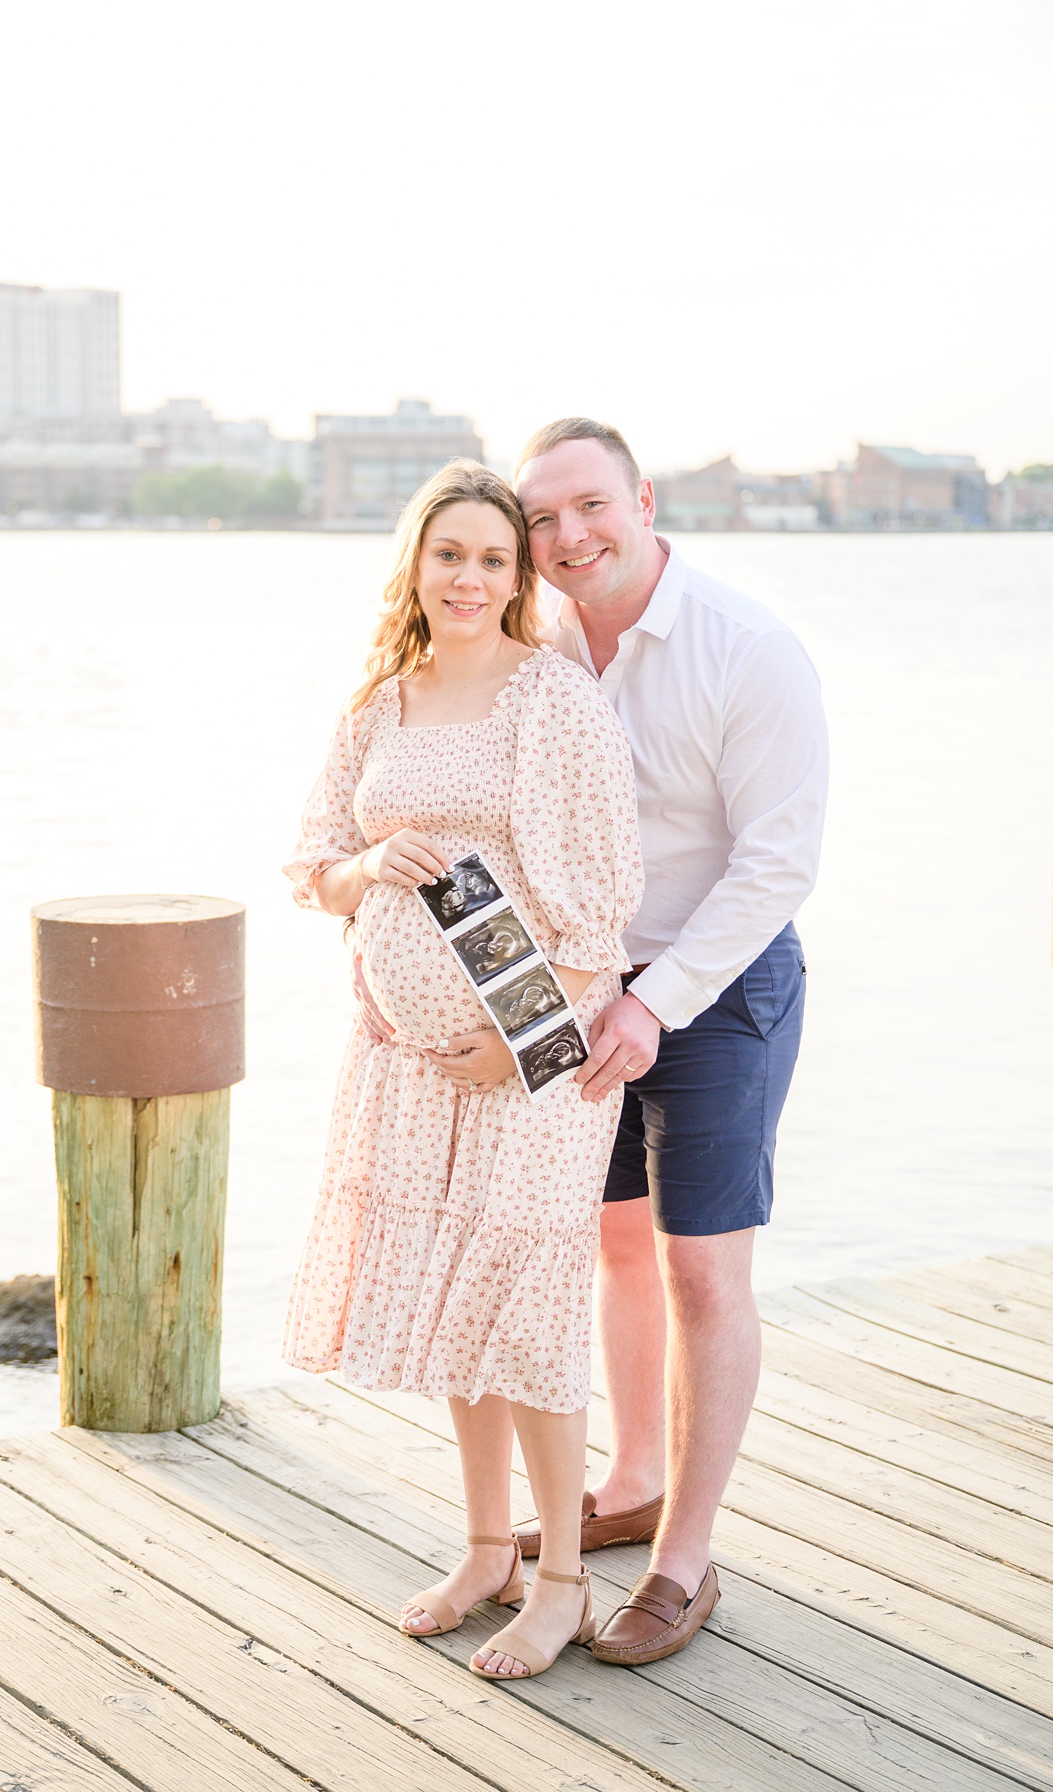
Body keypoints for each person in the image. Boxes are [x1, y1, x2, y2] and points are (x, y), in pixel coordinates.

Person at [282, 460, 643, 1681]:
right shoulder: (381, 702)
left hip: (532, 1061)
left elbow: (603, 918)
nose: (471, 579)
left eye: (496, 558)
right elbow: (314, 866)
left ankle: (561, 1580)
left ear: (521, 574)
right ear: (417, 565)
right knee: (453, 1298)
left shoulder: (555, 702)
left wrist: (522, 1042)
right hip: (403, 1063)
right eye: (452, 556)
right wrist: (371, 867)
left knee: (528, 1304)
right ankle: (487, 1547)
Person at [498, 417, 826, 1666]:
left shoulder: (748, 650)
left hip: (722, 983)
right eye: (543, 520)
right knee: (611, 1240)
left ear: (641, 499)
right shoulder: (531, 646)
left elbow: (778, 865)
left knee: (702, 1271)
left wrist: (655, 1001)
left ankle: (686, 1558)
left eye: (590, 506)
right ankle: (630, 1478)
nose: (569, 537)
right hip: (581, 988)